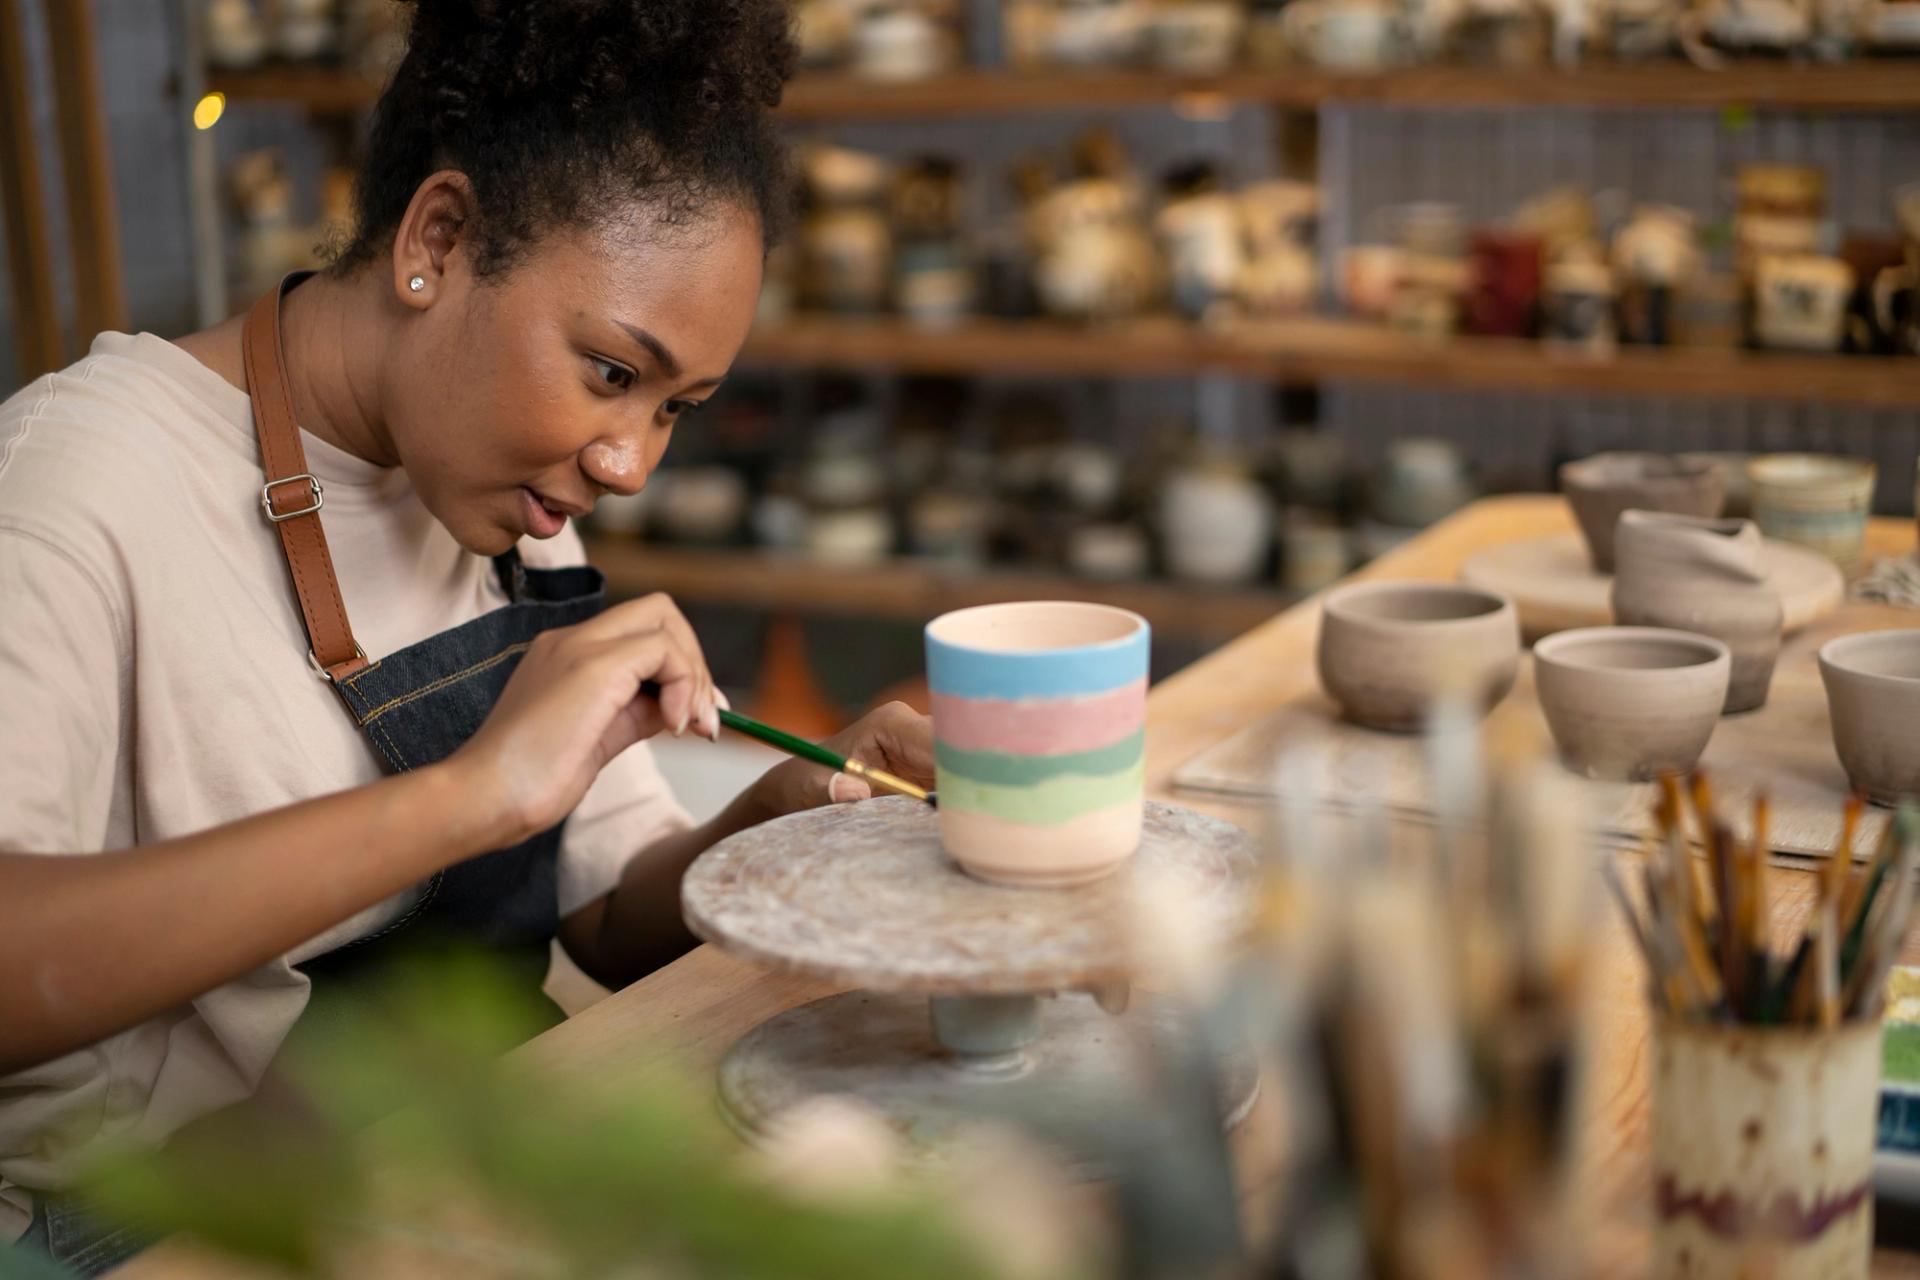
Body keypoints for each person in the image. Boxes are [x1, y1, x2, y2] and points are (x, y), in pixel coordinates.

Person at [0, 1, 932, 1271]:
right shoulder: (81, 484)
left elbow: (606, 914)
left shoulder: (505, 495)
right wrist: (472, 792)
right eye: (612, 371)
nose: (629, 461)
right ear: (437, 239)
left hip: (429, 1159)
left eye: (679, 408)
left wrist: (787, 805)